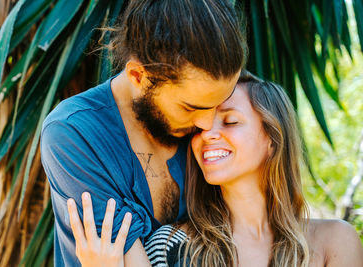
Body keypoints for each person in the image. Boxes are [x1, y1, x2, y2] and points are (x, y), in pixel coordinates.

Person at [67, 72, 363, 266]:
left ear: (272, 141)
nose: (207, 133)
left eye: (230, 121)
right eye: (201, 125)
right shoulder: (171, 246)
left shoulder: (334, 241)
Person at [40, 0, 246, 266]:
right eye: (189, 107)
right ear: (138, 75)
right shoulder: (74, 133)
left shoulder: (210, 95)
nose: (208, 125)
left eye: (220, 103)